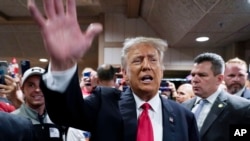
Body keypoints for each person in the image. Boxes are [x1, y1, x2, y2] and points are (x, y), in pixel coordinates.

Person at [28, 0, 199, 141]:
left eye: (153, 60)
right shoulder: (104, 102)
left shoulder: (185, 117)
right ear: (124, 73)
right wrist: (62, 64)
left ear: (161, 70)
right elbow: (64, 114)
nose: (146, 66)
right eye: (138, 60)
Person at [182, 52, 250, 141]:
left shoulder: (241, 108)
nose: (195, 80)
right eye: (193, 75)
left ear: (219, 79)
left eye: (202, 75)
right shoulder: (184, 106)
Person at [12, 67, 66, 141]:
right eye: (31, 85)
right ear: (22, 89)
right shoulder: (13, 120)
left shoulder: (57, 119)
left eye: (42, 85)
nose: (37, 90)